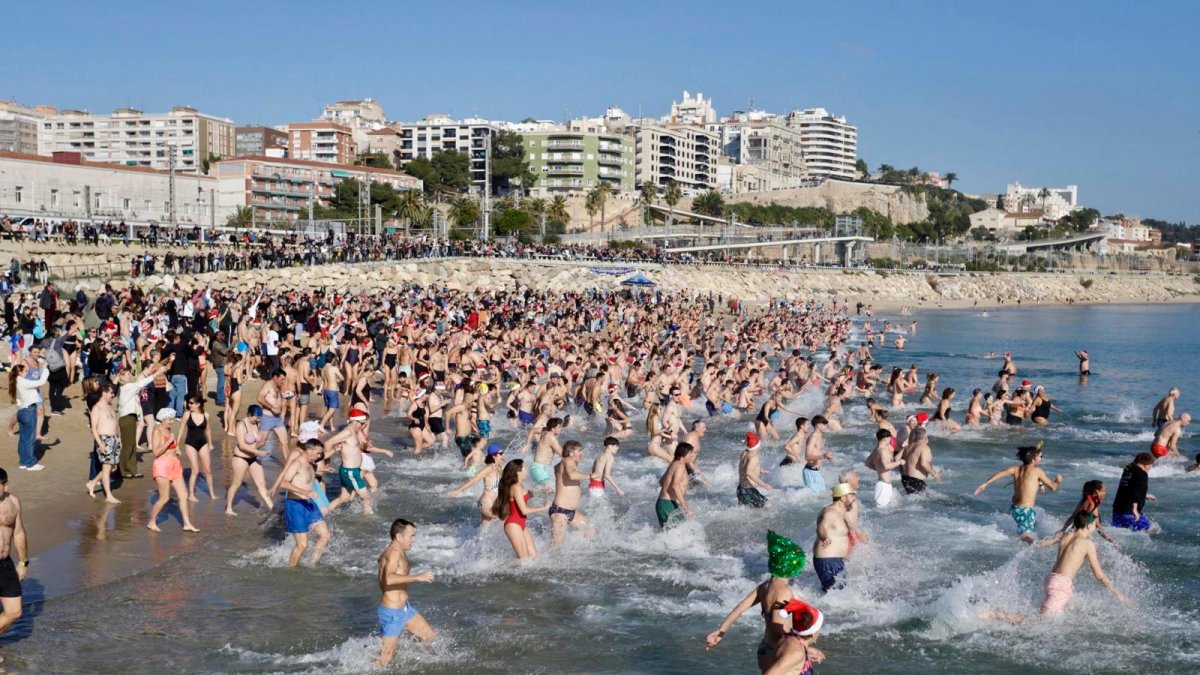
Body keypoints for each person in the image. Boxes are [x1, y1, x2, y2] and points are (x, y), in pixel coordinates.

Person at [706, 531, 822, 673]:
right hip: (778, 649)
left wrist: (721, 631)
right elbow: (777, 626)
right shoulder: (784, 591)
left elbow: (740, 607)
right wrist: (800, 648)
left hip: (765, 648)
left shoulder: (765, 586)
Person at [1040, 511, 1129, 615]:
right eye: (1095, 526)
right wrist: (1118, 594)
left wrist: (1029, 540)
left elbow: (1042, 544)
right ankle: (1018, 619)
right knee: (1043, 617)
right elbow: (1099, 575)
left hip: (1050, 579)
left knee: (1054, 618)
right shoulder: (1088, 544)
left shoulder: (1064, 535)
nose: (1095, 529)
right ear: (1088, 526)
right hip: (1061, 584)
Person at [375, 518, 435, 667]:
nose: (413, 540)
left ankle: (422, 665)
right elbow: (389, 579)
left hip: (405, 609)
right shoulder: (394, 553)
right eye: (411, 536)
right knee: (385, 659)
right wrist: (417, 577)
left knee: (429, 636)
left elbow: (381, 562)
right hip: (392, 613)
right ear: (399, 537)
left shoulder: (394, 551)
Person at [974, 444, 1063, 543]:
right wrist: (1058, 480)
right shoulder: (1037, 471)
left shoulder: (1015, 469)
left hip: (1015, 509)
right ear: (1033, 459)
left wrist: (985, 484)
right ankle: (1034, 544)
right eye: (1041, 456)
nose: (1042, 458)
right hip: (1026, 510)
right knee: (1024, 535)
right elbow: (1053, 487)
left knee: (1036, 517)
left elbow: (1000, 474)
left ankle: (1030, 536)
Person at [279, 438, 331, 568]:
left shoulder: (311, 464)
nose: (320, 457)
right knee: (302, 545)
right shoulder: (296, 464)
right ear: (309, 450)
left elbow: (305, 478)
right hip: (295, 506)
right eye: (318, 453)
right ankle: (291, 570)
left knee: (325, 535)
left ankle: (312, 563)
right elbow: (283, 483)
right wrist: (305, 492)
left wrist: (324, 471)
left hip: (310, 505)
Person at [147, 409, 200, 533]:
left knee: (183, 495)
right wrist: (169, 441)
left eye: (172, 419)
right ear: (163, 419)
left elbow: (171, 447)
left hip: (174, 465)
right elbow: (156, 452)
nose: (172, 422)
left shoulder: (169, 431)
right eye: (170, 419)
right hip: (162, 465)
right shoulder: (157, 431)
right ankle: (152, 521)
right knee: (164, 497)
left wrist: (176, 449)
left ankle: (187, 523)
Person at [0, 468, 29, 665]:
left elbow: (18, 532)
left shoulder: (13, 502)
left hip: (6, 564)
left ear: (5, 485)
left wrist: (22, 562)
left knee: (15, 612)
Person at [224, 405, 274, 516]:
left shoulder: (257, 424)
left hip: (254, 458)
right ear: (249, 414)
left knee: (261, 484)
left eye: (259, 417)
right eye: (256, 417)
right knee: (236, 483)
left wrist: (262, 444)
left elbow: (258, 442)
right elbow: (241, 445)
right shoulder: (241, 425)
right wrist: (258, 452)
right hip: (240, 458)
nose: (258, 419)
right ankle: (229, 508)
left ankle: (271, 507)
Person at [493, 459, 547, 559]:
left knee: (533, 555)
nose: (527, 470)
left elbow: (525, 495)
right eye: (525, 468)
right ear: (518, 471)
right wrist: (543, 508)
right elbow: (524, 510)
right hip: (513, 524)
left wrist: (540, 490)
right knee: (524, 559)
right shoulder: (515, 487)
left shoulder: (520, 485)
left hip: (521, 523)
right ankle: (503, 569)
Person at [324, 408, 374, 515]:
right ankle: (368, 521)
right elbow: (328, 442)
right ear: (355, 421)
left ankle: (322, 513)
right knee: (367, 497)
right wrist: (327, 462)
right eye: (362, 423)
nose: (363, 426)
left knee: (344, 498)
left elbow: (354, 447)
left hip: (351, 470)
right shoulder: (347, 432)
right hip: (350, 471)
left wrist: (365, 445)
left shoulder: (354, 432)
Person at [813, 482, 857, 593]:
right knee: (835, 594)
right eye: (852, 495)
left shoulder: (840, 512)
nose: (854, 498)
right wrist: (824, 537)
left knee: (839, 594)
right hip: (828, 560)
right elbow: (821, 527)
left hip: (834, 560)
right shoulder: (830, 512)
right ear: (843, 498)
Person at [448, 444, 506, 524]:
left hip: (493, 503)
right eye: (501, 453)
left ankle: (474, 536)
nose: (503, 455)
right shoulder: (488, 468)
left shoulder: (499, 467)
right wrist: (458, 490)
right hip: (487, 504)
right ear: (493, 456)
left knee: (483, 531)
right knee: (506, 519)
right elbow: (473, 481)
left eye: (503, 453)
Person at [548, 440, 591, 548]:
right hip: (560, 512)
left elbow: (558, 470)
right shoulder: (567, 460)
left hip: (570, 512)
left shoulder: (563, 463)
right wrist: (591, 476)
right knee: (555, 548)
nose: (582, 453)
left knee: (590, 531)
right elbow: (572, 475)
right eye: (579, 451)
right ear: (571, 453)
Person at [87, 384, 122, 504]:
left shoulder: (110, 406)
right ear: (104, 392)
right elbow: (93, 428)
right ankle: (108, 495)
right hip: (104, 439)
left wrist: (119, 439)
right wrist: (100, 443)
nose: (113, 395)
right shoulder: (97, 408)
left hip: (114, 439)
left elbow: (116, 424)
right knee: (107, 468)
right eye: (111, 393)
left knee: (112, 467)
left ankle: (92, 483)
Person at [177, 394, 217, 501]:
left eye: (191, 403)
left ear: (198, 404)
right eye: (189, 403)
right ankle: (191, 495)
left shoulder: (206, 415)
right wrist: (177, 446)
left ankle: (212, 494)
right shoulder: (187, 414)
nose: (189, 405)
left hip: (203, 443)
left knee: (208, 470)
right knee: (195, 470)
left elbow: (208, 430)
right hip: (190, 443)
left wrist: (210, 443)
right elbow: (181, 430)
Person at [1111, 452, 1155, 532]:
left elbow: (1129, 488)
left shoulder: (1128, 470)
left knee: (1117, 532)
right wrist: (1134, 510)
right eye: (1151, 465)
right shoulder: (1142, 474)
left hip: (1117, 509)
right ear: (1146, 464)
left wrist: (1144, 495)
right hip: (1129, 511)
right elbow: (1135, 491)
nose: (1150, 467)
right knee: (1150, 530)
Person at [656, 442, 696, 529]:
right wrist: (686, 507)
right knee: (683, 532)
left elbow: (662, 482)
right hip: (667, 504)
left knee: (673, 534)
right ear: (684, 454)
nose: (692, 456)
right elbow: (675, 486)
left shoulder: (673, 464)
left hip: (664, 503)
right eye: (690, 453)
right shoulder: (680, 466)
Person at [864, 429, 902, 508]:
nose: (890, 440)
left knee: (898, 505)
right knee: (881, 512)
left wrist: (878, 469)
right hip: (883, 486)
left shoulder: (876, 450)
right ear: (884, 439)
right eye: (889, 438)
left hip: (884, 485)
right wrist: (899, 462)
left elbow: (867, 463)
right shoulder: (883, 451)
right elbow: (886, 466)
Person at [737, 432, 772, 508]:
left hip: (741, 489)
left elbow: (745, 466)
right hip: (748, 492)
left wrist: (760, 469)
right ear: (758, 446)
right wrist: (764, 485)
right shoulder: (754, 458)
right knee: (768, 506)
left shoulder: (744, 453)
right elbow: (748, 472)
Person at [901, 428, 940, 495]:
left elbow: (902, 462)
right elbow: (923, 464)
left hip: (905, 478)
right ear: (925, 437)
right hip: (915, 480)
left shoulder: (908, 447)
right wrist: (934, 474)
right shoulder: (924, 447)